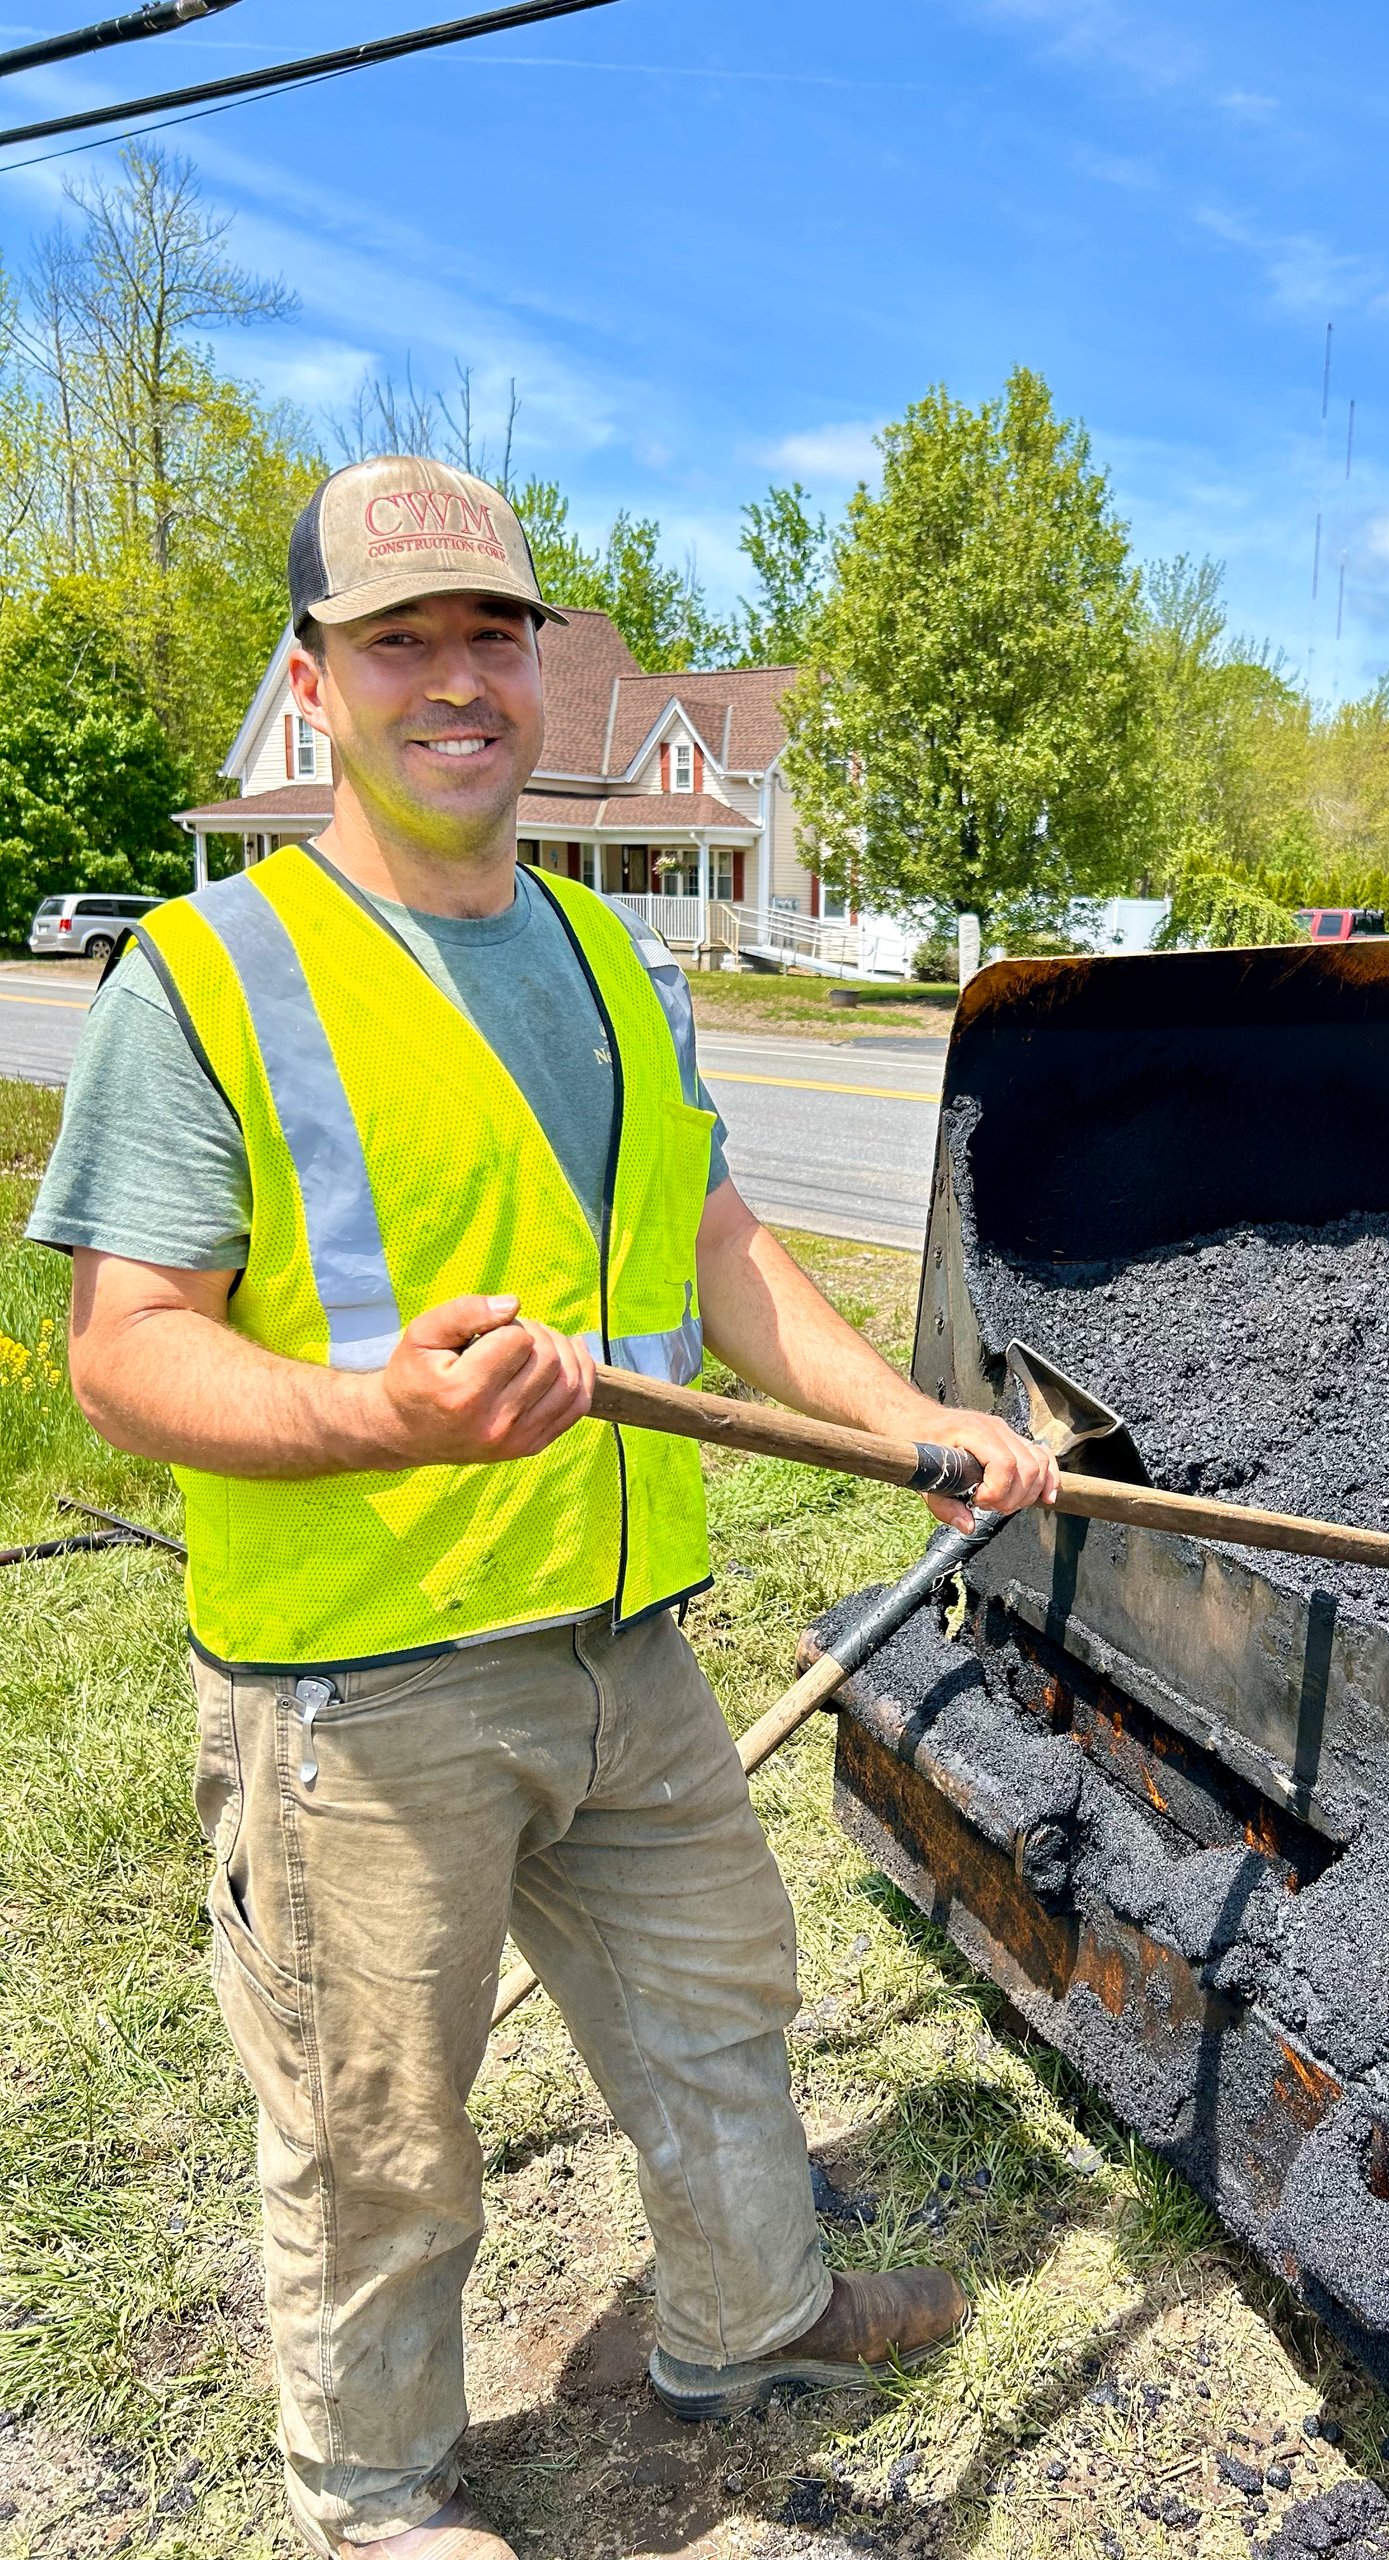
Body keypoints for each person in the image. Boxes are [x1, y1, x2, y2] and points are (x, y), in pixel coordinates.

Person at [27, 457, 1057, 2560]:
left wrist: (911, 1419)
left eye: (488, 634)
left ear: (536, 664)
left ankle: (747, 2317)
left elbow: (723, 1244)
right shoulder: (211, 974)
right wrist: (374, 1408)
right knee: (378, 2125)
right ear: (317, 685)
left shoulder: (603, 949)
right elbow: (123, 1347)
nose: (455, 680)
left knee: (722, 2006)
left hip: (621, 1638)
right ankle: (378, 2491)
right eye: (398, 641)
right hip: (361, 1691)